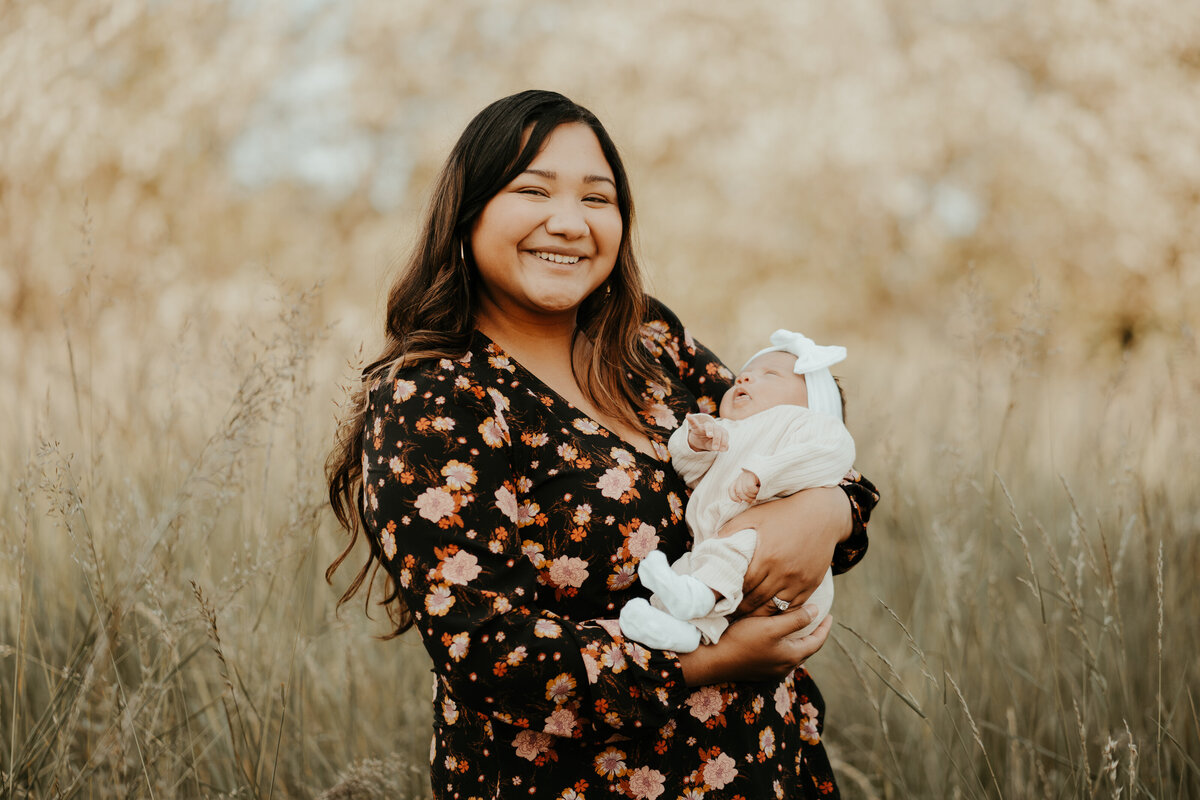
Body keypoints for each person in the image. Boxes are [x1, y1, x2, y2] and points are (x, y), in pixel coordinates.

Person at [326, 90, 880, 799]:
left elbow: (812, 441)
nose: (569, 222)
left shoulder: (649, 342)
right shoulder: (434, 398)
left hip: (765, 765)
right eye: (532, 190)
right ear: (468, 212)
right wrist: (710, 662)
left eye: (598, 198)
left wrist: (827, 511)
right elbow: (486, 653)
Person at [619, 330, 855, 654]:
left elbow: (831, 454)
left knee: (729, 551)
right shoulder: (727, 430)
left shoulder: (807, 426)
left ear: (813, 402)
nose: (743, 377)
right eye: (744, 374)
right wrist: (694, 443)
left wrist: (764, 475)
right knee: (694, 565)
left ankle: (695, 599)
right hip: (717, 544)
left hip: (772, 550)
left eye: (769, 374)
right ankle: (678, 630)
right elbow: (686, 471)